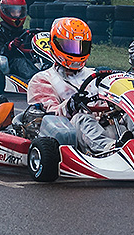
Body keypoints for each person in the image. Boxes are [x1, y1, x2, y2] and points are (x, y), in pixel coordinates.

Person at [23, 17, 114, 155]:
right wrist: (70, 105)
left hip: (103, 126)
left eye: (81, 47)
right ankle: (109, 151)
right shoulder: (42, 80)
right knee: (81, 118)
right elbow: (48, 116)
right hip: (71, 133)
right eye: (71, 46)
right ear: (56, 45)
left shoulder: (96, 75)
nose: (77, 52)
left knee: (129, 116)